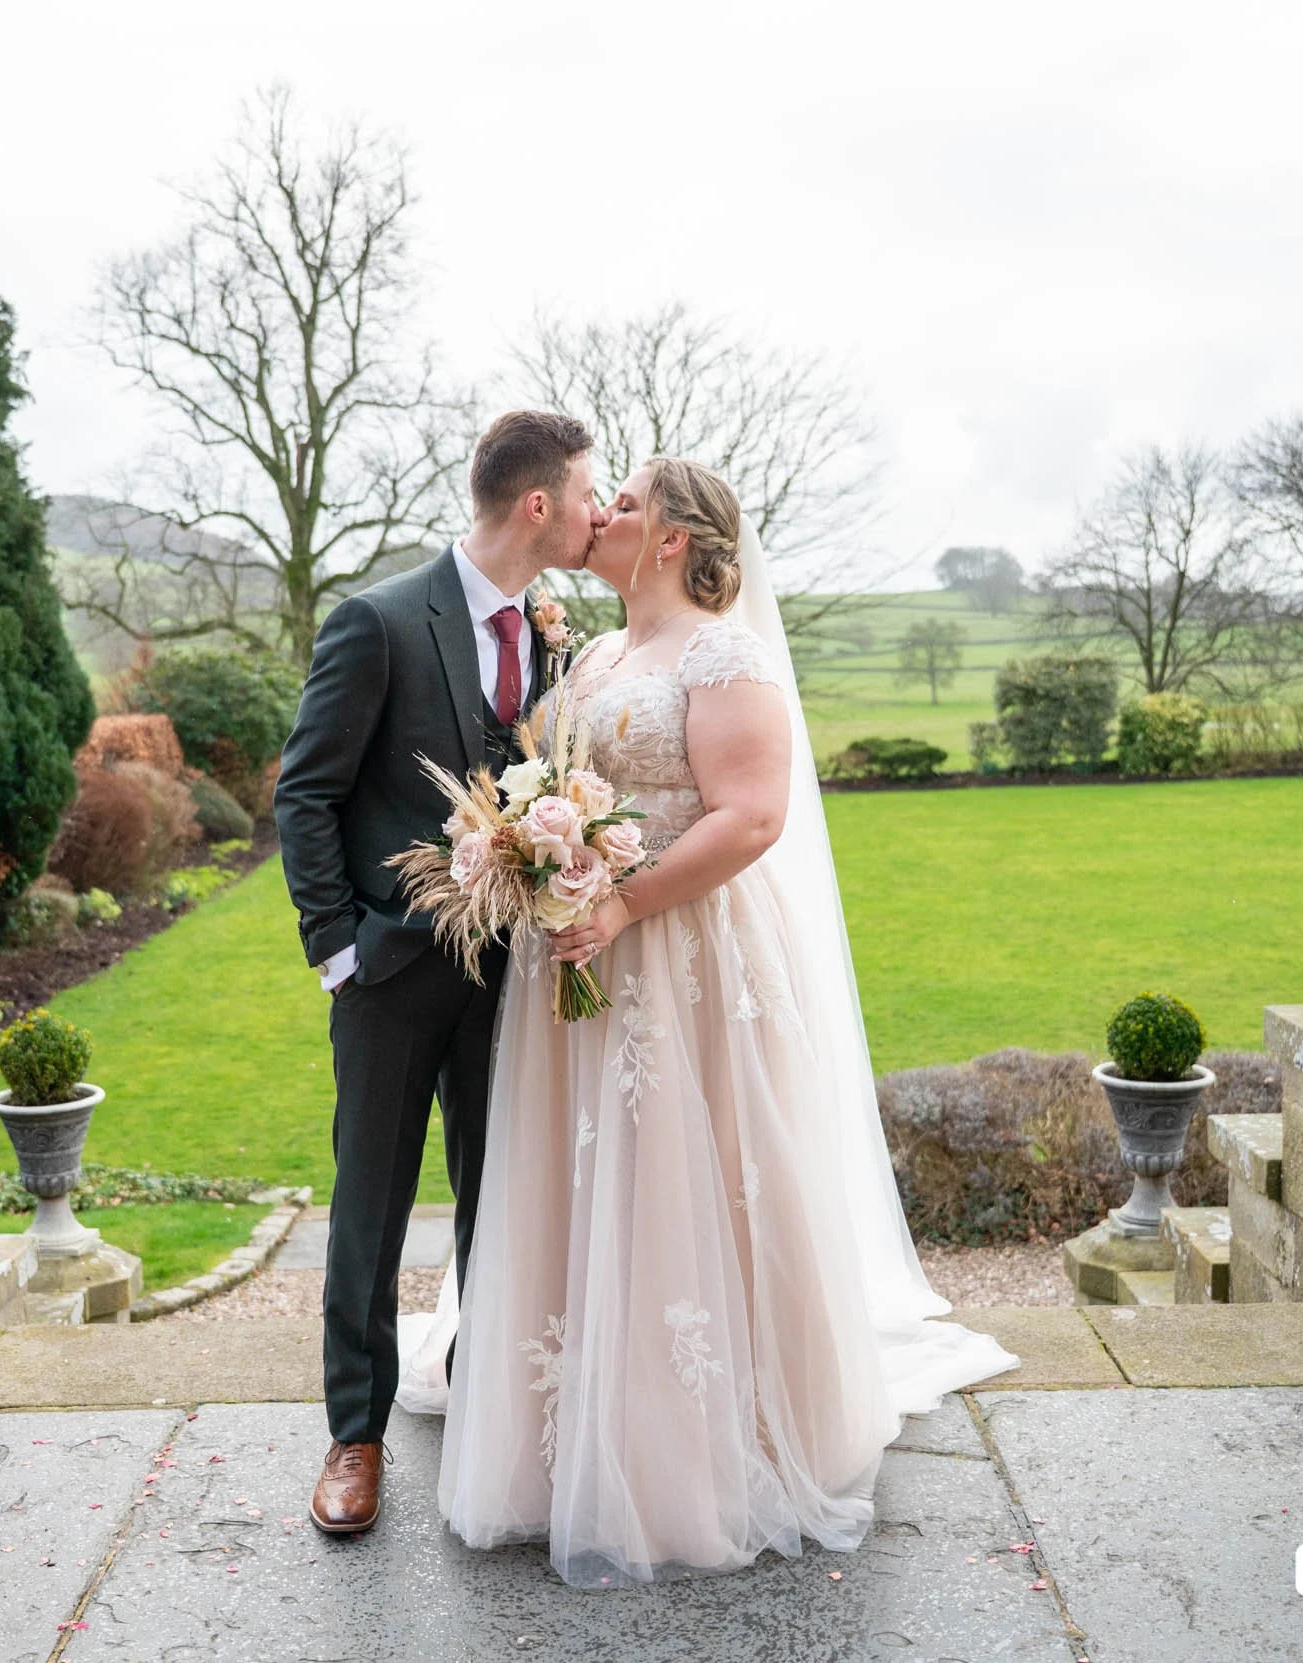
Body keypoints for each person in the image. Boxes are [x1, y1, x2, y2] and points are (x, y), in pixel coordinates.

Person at [406, 456, 1018, 1585]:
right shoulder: (591, 655)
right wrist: (526, 850)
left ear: (677, 537)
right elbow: (556, 782)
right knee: (585, 1187)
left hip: (681, 960)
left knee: (687, 1182)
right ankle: (563, 1441)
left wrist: (621, 898)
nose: (602, 514)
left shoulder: (725, 652)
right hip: (578, 962)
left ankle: (688, 1453)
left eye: (625, 504)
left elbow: (751, 815)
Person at [273, 409, 604, 1534]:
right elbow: (305, 792)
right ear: (536, 505)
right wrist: (339, 948)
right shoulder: (376, 622)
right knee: (369, 1199)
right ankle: (353, 1437)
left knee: (499, 1189)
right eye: (587, 491)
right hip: (389, 971)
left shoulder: (554, 633)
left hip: (513, 975)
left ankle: (485, 1395)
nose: (598, 508)